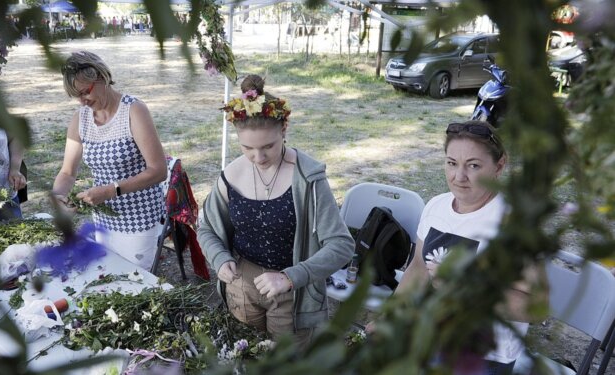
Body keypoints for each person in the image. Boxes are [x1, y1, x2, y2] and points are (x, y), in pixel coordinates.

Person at [370, 120, 547, 374]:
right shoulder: (436, 206)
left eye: (473, 165)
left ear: (500, 165)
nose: (459, 177)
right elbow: (418, 268)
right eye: (452, 163)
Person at [198, 75, 354, 344]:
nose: (258, 158)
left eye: (268, 146)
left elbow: (341, 245)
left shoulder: (309, 179)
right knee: (246, 356)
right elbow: (207, 228)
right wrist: (219, 257)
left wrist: (290, 277)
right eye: (248, 148)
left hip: (293, 292)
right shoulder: (231, 175)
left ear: (284, 128)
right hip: (242, 286)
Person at [52, 51, 167, 270]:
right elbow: (67, 172)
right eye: (76, 96)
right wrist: (58, 197)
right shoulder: (80, 119)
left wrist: (111, 191)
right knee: (108, 276)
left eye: (85, 92)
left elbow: (159, 170)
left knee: (135, 282)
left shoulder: (133, 110)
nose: (82, 101)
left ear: (101, 77)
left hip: (139, 219)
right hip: (104, 219)